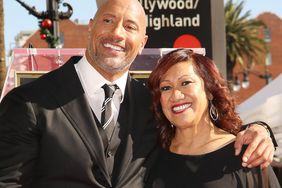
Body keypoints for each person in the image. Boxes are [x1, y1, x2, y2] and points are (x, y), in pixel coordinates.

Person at [0, 0, 277, 188]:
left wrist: (260, 129)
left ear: (142, 42)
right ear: (91, 26)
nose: (117, 33)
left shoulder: (154, 105)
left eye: (130, 26)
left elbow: (203, 133)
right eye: (108, 20)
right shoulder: (29, 102)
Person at [145, 48, 280, 188]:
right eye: (166, 88)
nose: (176, 95)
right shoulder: (151, 155)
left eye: (185, 83)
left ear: (209, 91)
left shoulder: (247, 154)